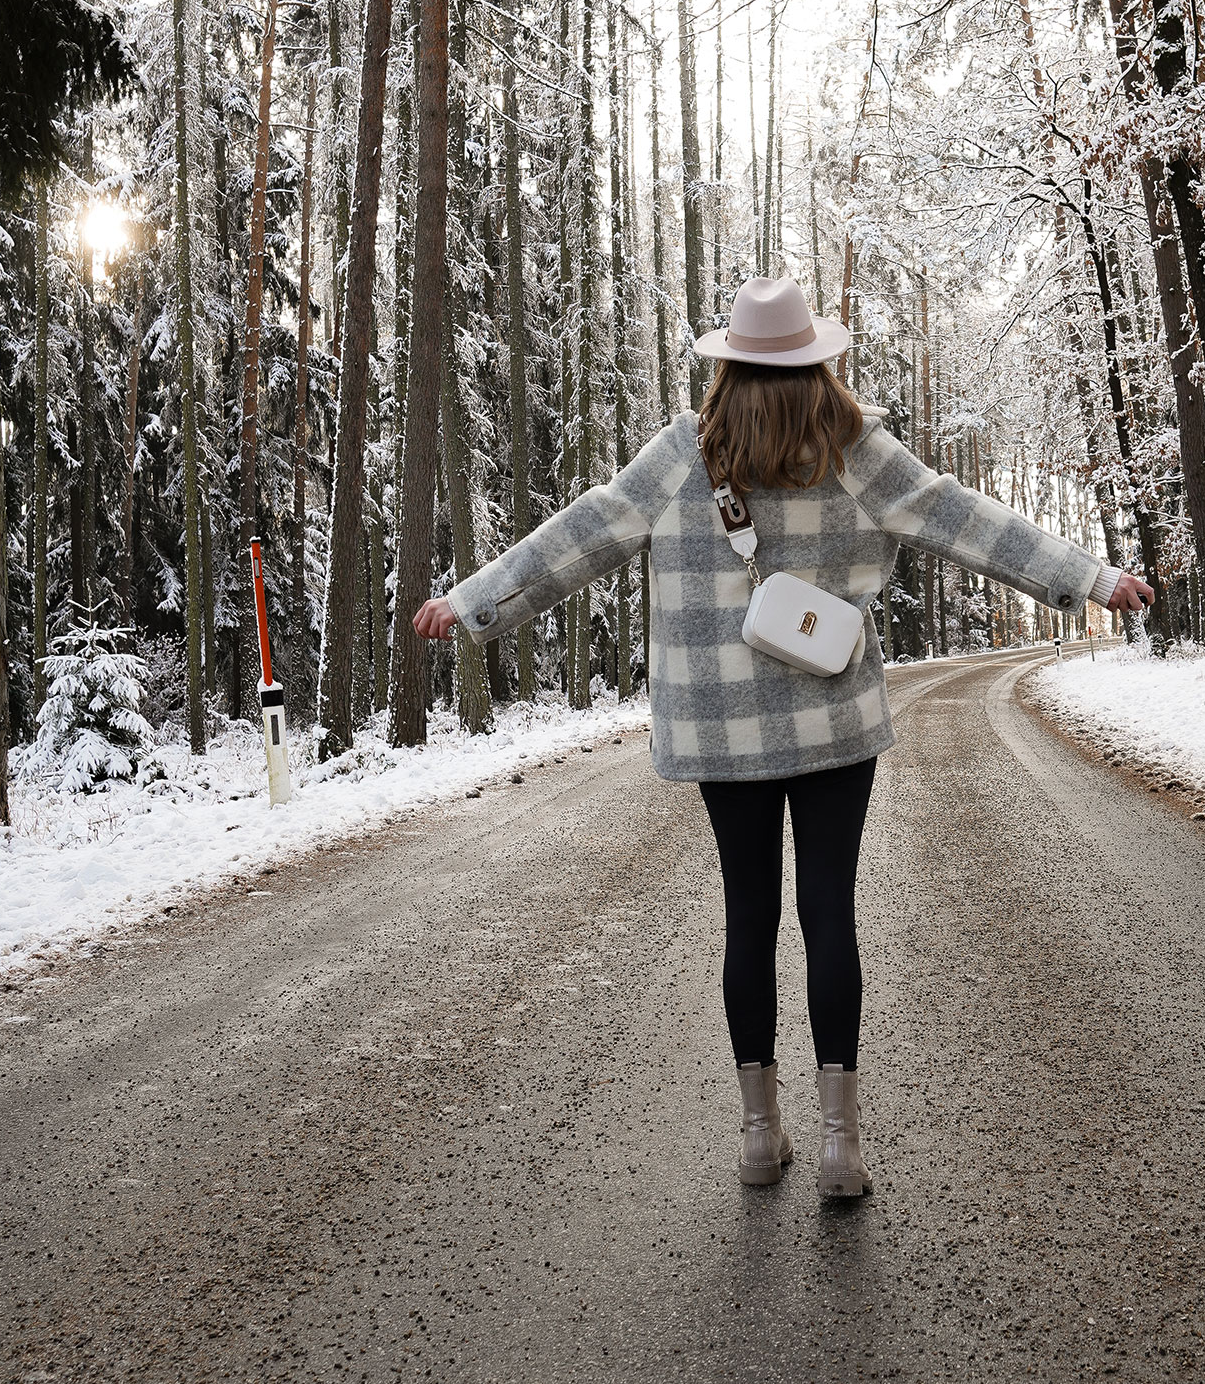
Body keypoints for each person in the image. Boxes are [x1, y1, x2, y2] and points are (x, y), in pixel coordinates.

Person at [413, 276, 1153, 1200]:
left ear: (724, 366)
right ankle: (842, 1148)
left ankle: (760, 1137)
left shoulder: (683, 453)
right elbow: (964, 519)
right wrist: (1090, 577)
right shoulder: (853, 451)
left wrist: (471, 601)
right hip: (832, 716)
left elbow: (584, 533)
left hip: (723, 728)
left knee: (748, 918)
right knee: (828, 915)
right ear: (818, 363)